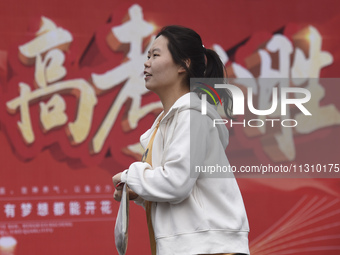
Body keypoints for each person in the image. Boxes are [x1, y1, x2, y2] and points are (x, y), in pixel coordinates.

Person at [112, 25, 249, 255]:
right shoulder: (170, 120)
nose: (146, 63)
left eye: (155, 55)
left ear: (183, 64)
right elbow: (178, 188)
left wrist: (130, 176)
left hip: (209, 248)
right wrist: (136, 190)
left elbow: (176, 182)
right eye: (147, 56)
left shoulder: (192, 115)